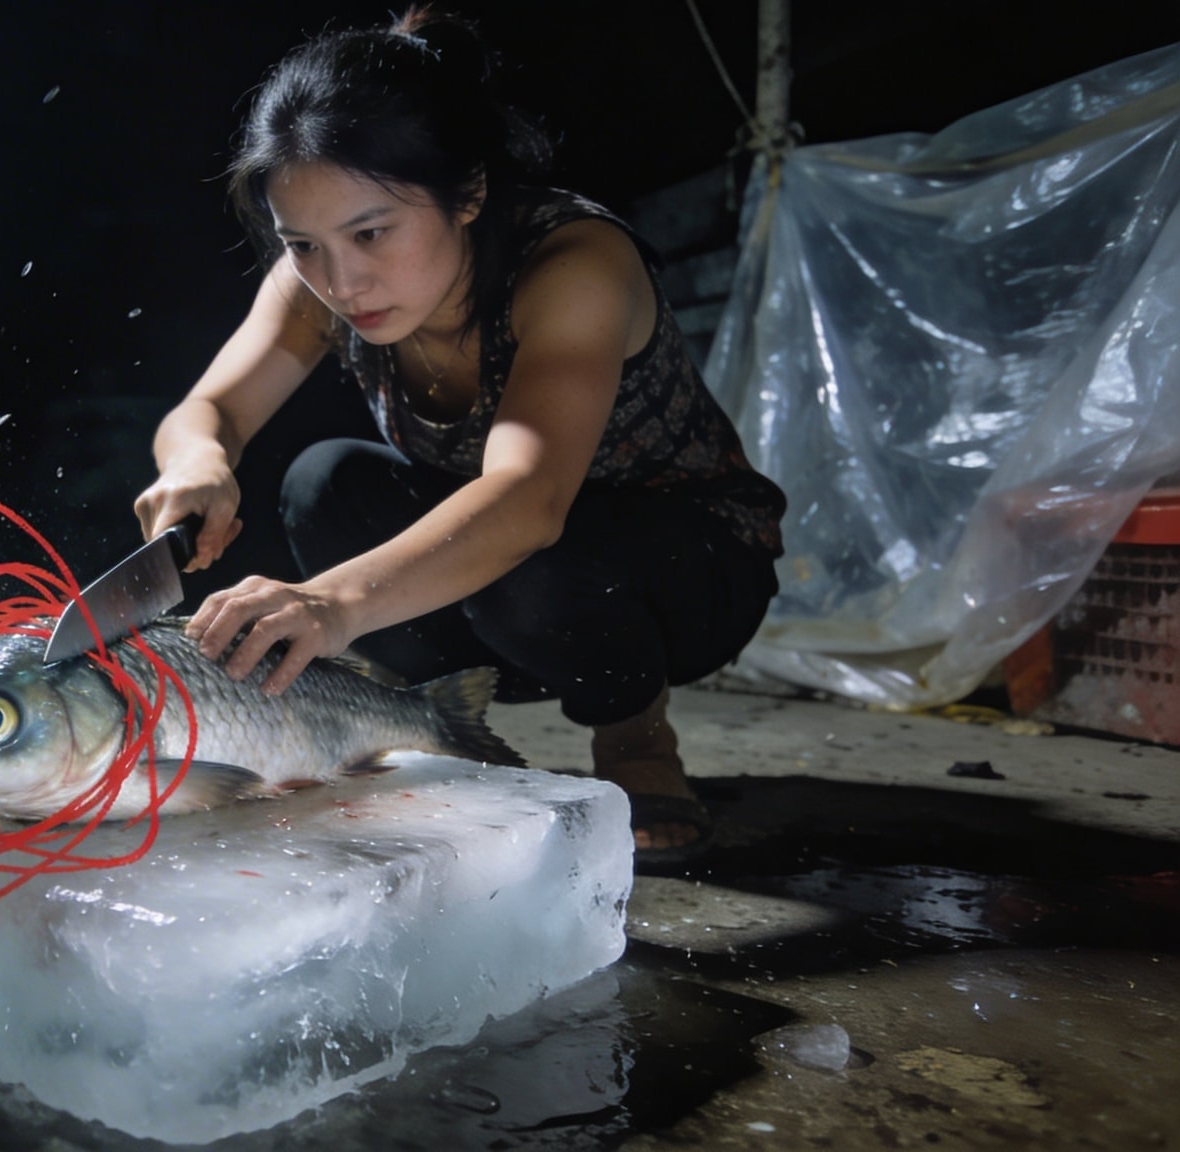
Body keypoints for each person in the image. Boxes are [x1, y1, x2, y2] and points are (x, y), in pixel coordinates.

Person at [131, 7, 785, 867]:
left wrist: (330, 604)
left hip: (684, 572)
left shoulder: (573, 265)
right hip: (510, 582)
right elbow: (206, 409)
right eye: (304, 245)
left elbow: (527, 500)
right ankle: (429, 716)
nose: (340, 280)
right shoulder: (317, 281)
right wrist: (199, 459)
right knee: (324, 483)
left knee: (525, 564)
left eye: (371, 233)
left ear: (468, 194)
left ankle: (636, 742)